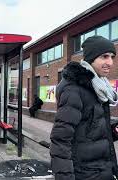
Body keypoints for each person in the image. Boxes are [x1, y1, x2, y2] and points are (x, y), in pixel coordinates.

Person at [50, 36, 117, 180]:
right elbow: (60, 140)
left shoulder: (100, 88)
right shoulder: (74, 89)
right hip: (85, 173)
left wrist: (114, 130)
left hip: (103, 170)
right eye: (104, 56)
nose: (110, 62)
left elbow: (90, 132)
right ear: (91, 58)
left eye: (112, 57)